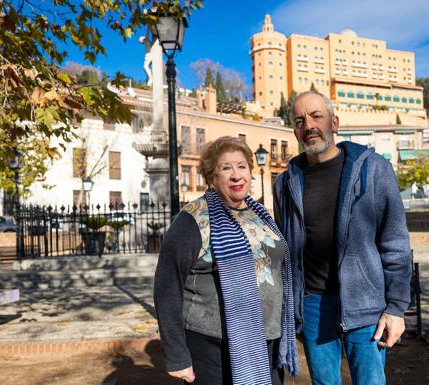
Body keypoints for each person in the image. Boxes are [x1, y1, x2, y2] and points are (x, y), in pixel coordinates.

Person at [273, 91, 412, 385]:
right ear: (295, 130)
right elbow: (286, 246)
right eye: (299, 120)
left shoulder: (374, 170)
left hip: (366, 304)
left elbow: (395, 243)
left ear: (334, 122)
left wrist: (396, 308)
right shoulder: (285, 183)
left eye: (316, 116)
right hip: (313, 305)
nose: (308, 125)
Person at [154, 136, 299, 385]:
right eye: (226, 168)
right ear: (211, 177)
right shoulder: (193, 220)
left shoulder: (260, 214)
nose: (236, 175)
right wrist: (177, 354)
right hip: (212, 344)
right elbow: (167, 287)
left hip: (267, 339)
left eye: (242, 166)